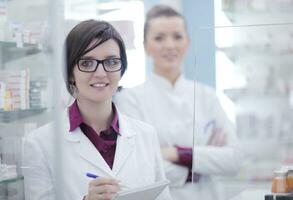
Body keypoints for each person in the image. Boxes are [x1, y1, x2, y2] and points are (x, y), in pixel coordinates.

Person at [22, 19, 172, 200]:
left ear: (121, 69)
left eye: (111, 62)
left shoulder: (146, 135)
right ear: (70, 72)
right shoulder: (39, 144)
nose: (100, 73)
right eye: (86, 63)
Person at [115, 4, 242, 200]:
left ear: (188, 42)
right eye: (159, 38)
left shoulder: (207, 96)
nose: (169, 45)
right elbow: (142, 167)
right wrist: (202, 165)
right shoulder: (130, 100)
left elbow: (233, 160)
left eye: (177, 36)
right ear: (145, 45)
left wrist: (175, 153)